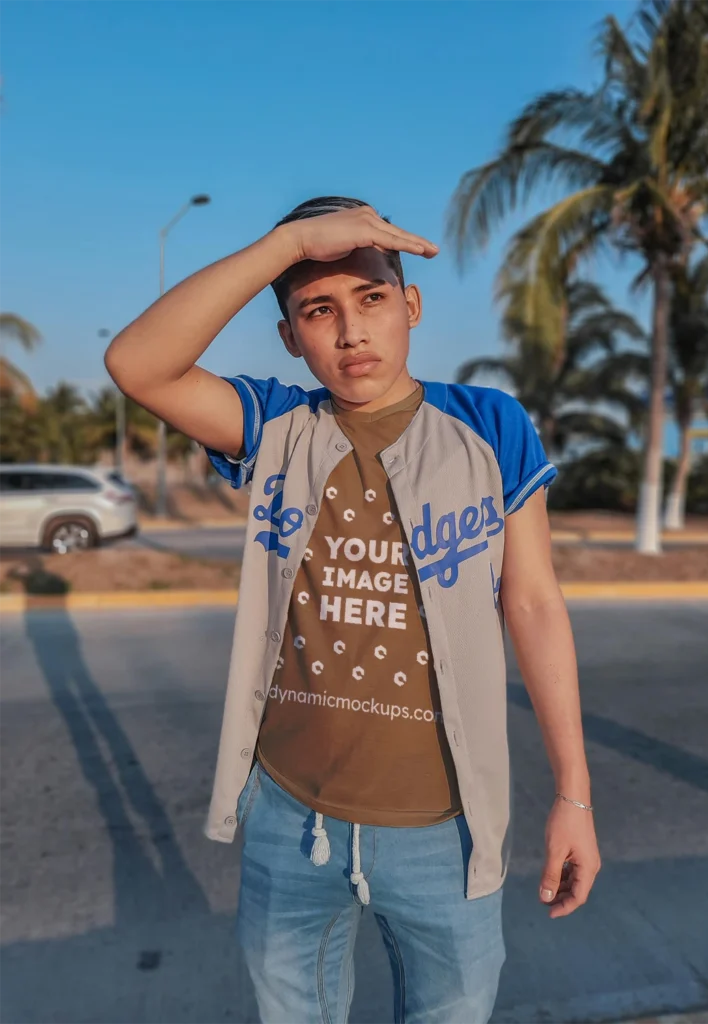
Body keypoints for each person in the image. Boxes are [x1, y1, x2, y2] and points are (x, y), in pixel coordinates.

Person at [105, 196, 601, 1024]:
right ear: (291, 336)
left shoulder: (490, 426)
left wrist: (574, 796)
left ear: (410, 306)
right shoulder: (275, 427)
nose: (350, 332)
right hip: (290, 819)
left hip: (446, 830)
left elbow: (535, 604)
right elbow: (138, 365)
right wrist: (289, 244)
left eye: (371, 299)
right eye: (317, 310)